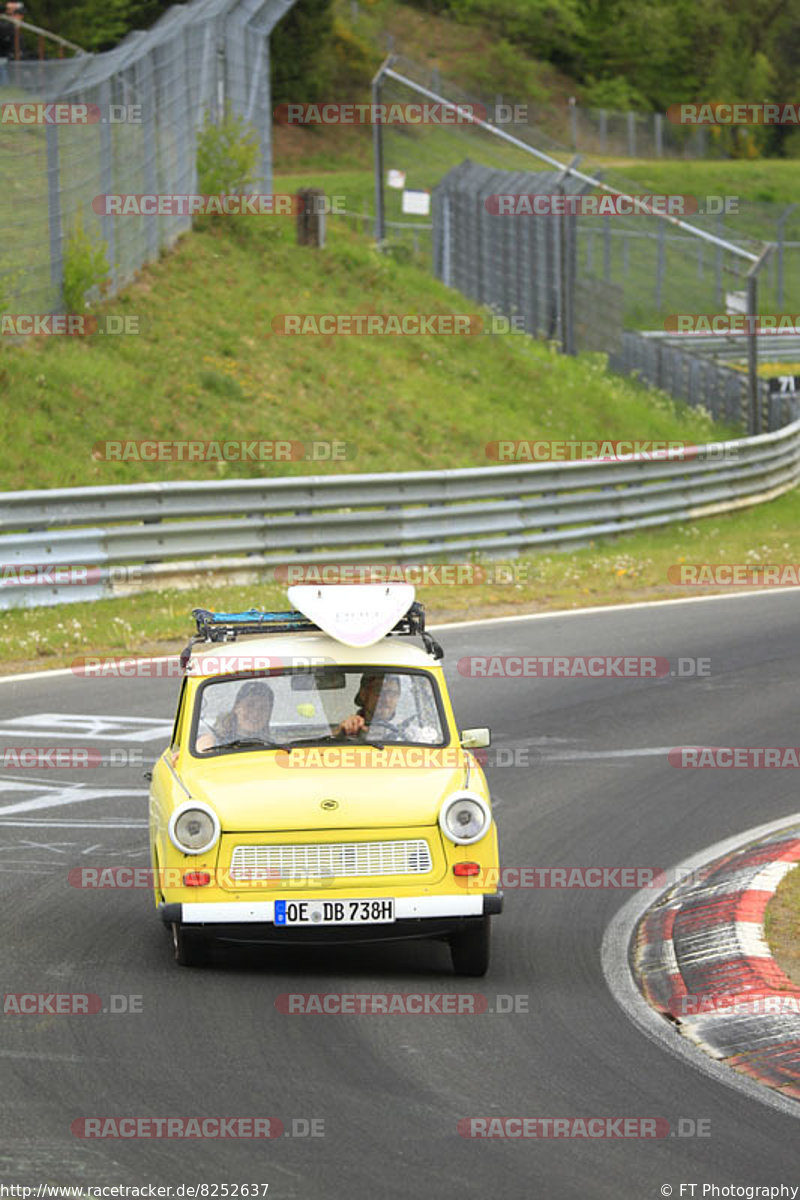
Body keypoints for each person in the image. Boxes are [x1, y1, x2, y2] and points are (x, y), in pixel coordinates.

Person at [196, 679, 274, 751]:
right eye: (250, 705)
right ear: (236, 708)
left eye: (263, 708)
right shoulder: (211, 743)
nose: (256, 713)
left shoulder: (276, 745)